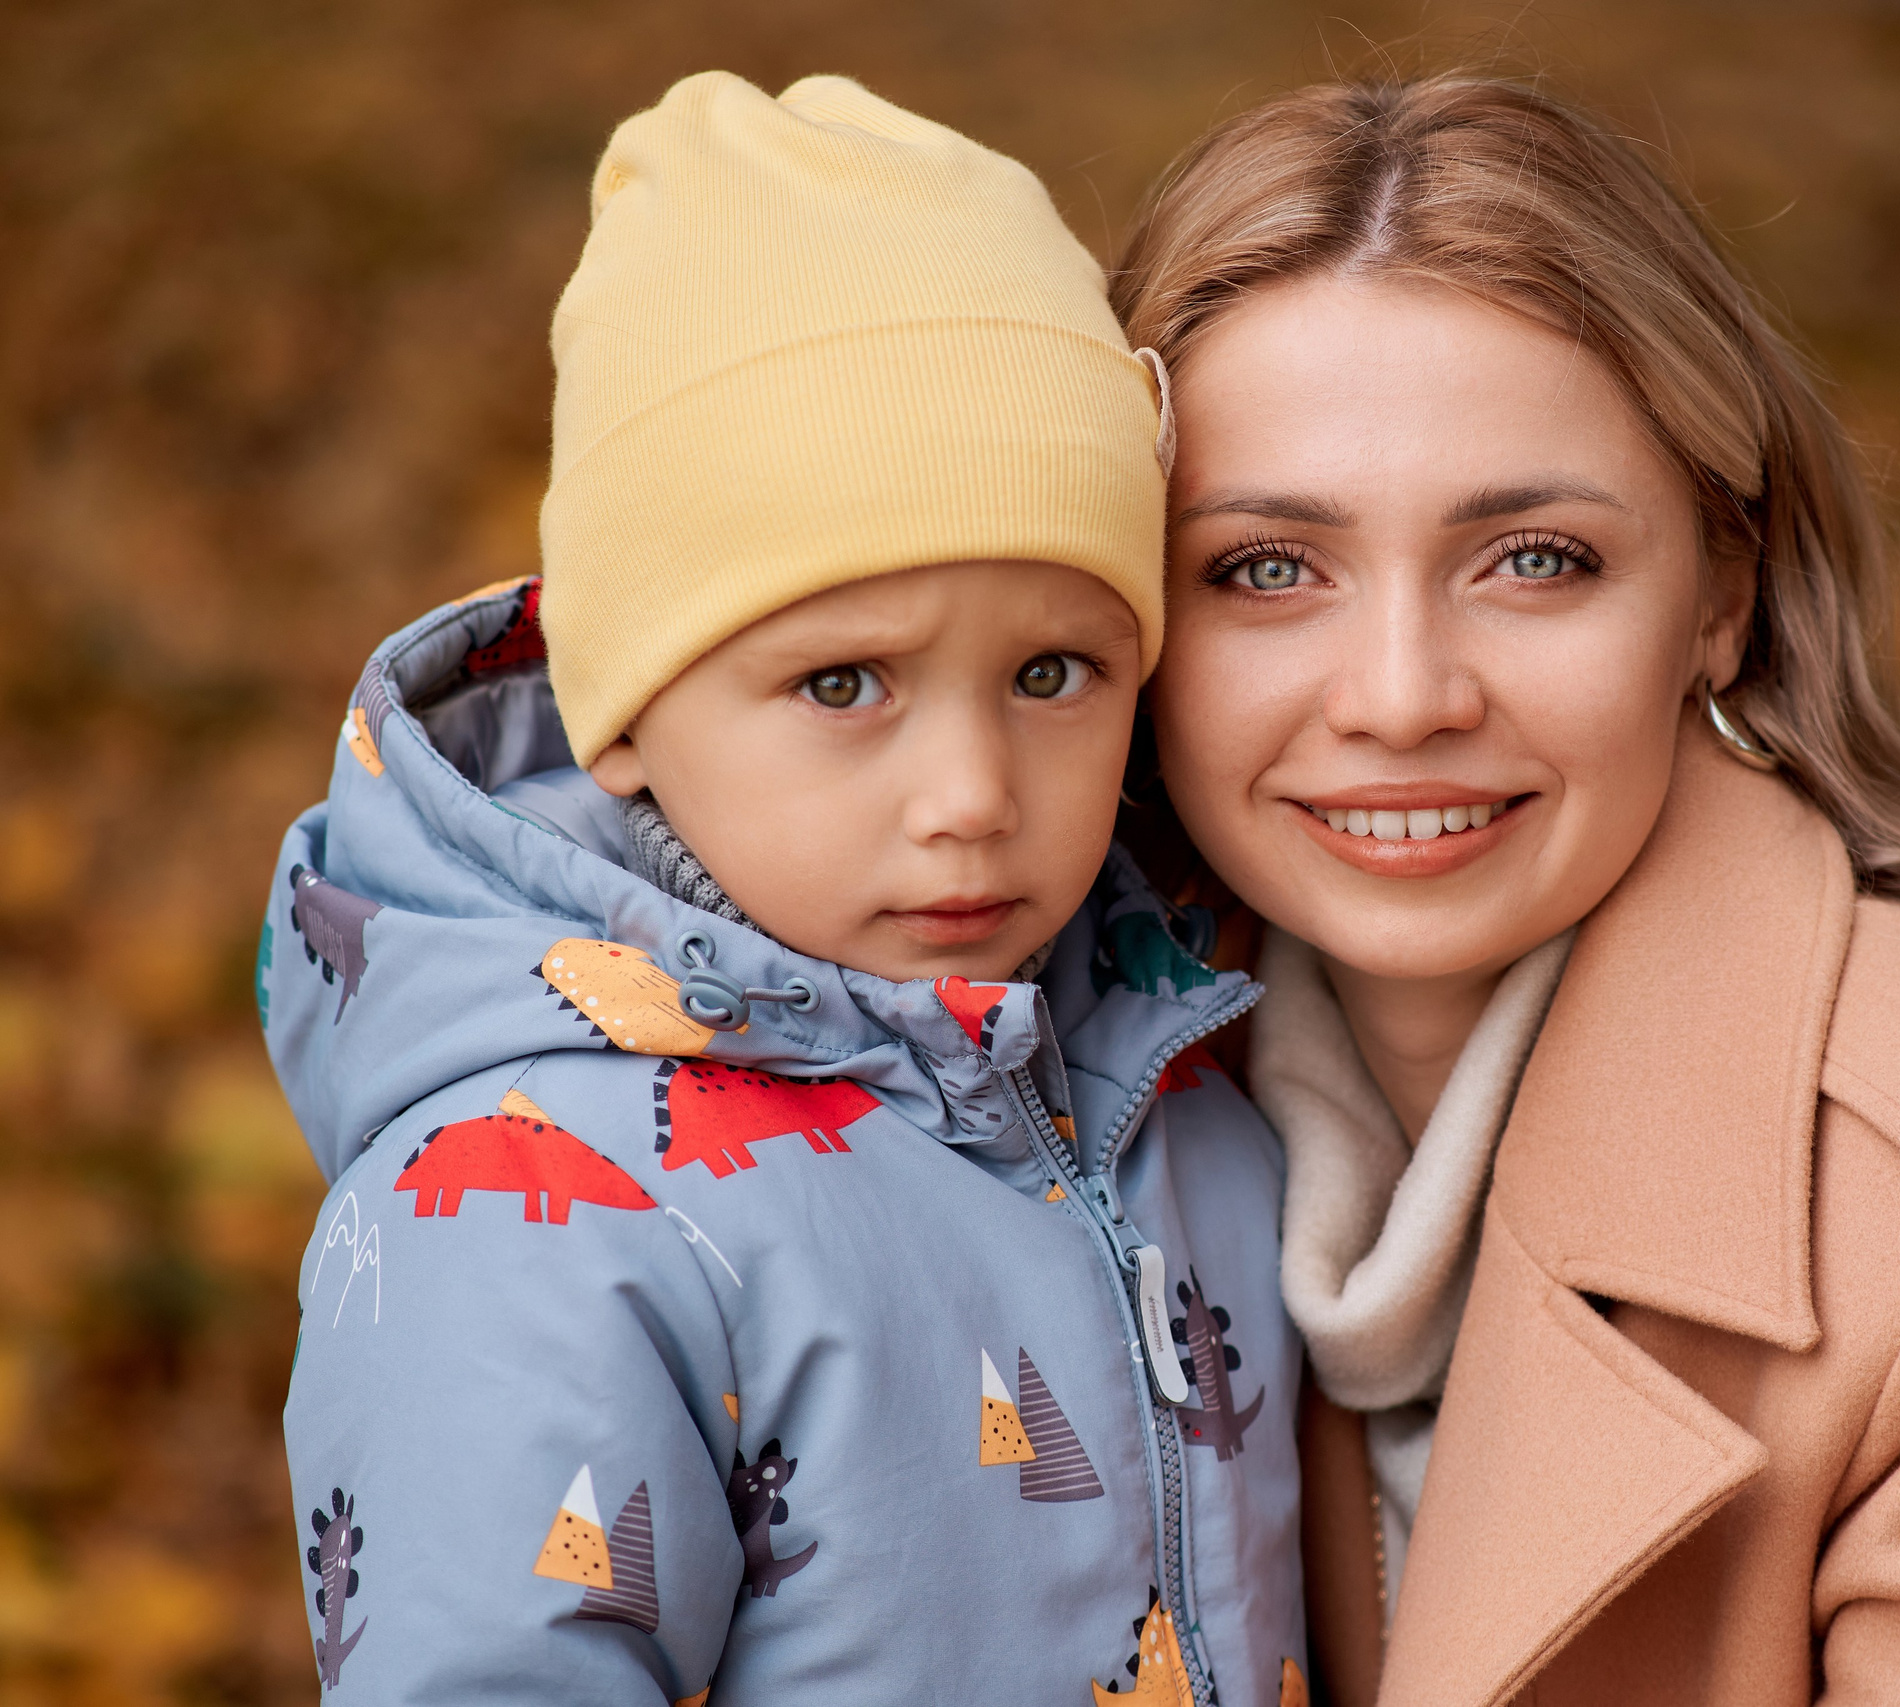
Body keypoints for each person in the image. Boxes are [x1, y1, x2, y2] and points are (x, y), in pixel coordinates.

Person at [1109, 75, 1900, 1703]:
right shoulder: (1018, 1088)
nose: (1400, 696)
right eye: (1267, 570)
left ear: (1721, 593)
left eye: (1534, 559)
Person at [263, 73, 1304, 1707]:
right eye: (843, 686)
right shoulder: (532, 1217)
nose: (971, 800)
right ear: (621, 714)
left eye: (1053, 670)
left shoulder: (1183, 1086)